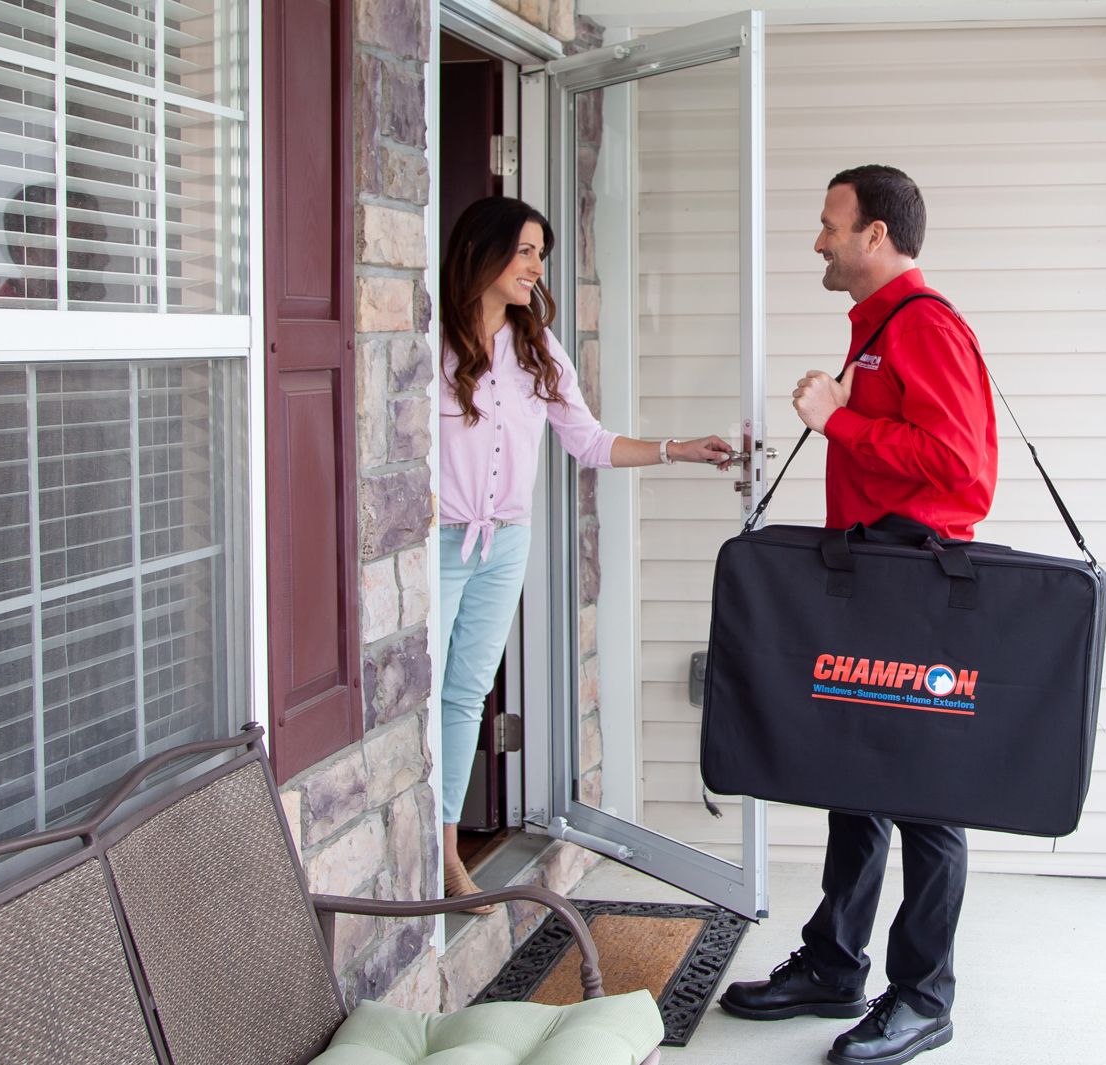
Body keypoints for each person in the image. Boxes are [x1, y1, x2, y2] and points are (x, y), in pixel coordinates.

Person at [718, 165, 997, 1064]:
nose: (819, 240)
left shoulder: (925, 326)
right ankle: (835, 964)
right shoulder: (875, 329)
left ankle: (923, 996)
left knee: (925, 792)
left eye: (831, 224)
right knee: (855, 771)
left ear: (876, 235)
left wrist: (838, 422)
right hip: (871, 574)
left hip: (914, 578)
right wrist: (845, 408)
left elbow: (965, 472)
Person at [438, 196, 734, 912]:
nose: (537, 268)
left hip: (505, 543)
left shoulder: (537, 347)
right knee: (419, 697)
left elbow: (590, 442)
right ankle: (429, 847)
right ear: (482, 251)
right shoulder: (432, 342)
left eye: (541, 255)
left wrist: (679, 449)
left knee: (466, 694)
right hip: (438, 543)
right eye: (526, 252)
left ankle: (445, 854)